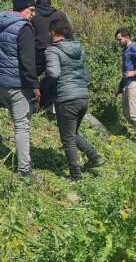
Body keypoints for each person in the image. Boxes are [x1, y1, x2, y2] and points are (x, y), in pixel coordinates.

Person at [0, 0, 41, 181]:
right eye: (31, 10)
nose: (33, 14)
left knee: (17, 122)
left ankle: (24, 162)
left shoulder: (0, 24)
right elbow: (27, 62)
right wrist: (35, 86)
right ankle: (24, 171)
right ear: (22, 9)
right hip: (17, 84)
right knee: (22, 127)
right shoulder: (24, 28)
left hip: (1, 83)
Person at [45, 20, 104, 180]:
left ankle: (75, 175)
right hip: (83, 96)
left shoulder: (52, 51)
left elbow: (54, 73)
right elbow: (86, 75)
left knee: (67, 137)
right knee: (73, 133)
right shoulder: (79, 49)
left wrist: (44, 89)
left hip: (66, 97)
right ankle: (95, 157)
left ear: (53, 32)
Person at [31, 0, 70, 108]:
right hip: (56, 52)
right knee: (53, 79)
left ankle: (32, 102)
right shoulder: (60, 15)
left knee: (29, 77)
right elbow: (69, 35)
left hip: (36, 53)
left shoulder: (32, 14)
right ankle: (47, 105)